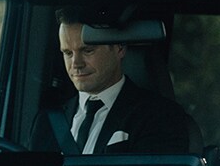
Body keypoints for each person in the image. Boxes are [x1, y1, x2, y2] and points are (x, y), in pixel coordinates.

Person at [55, 17, 196, 155]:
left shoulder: (160, 117)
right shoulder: (49, 121)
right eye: (68, 53)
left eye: (88, 50)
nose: (76, 64)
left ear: (119, 48)